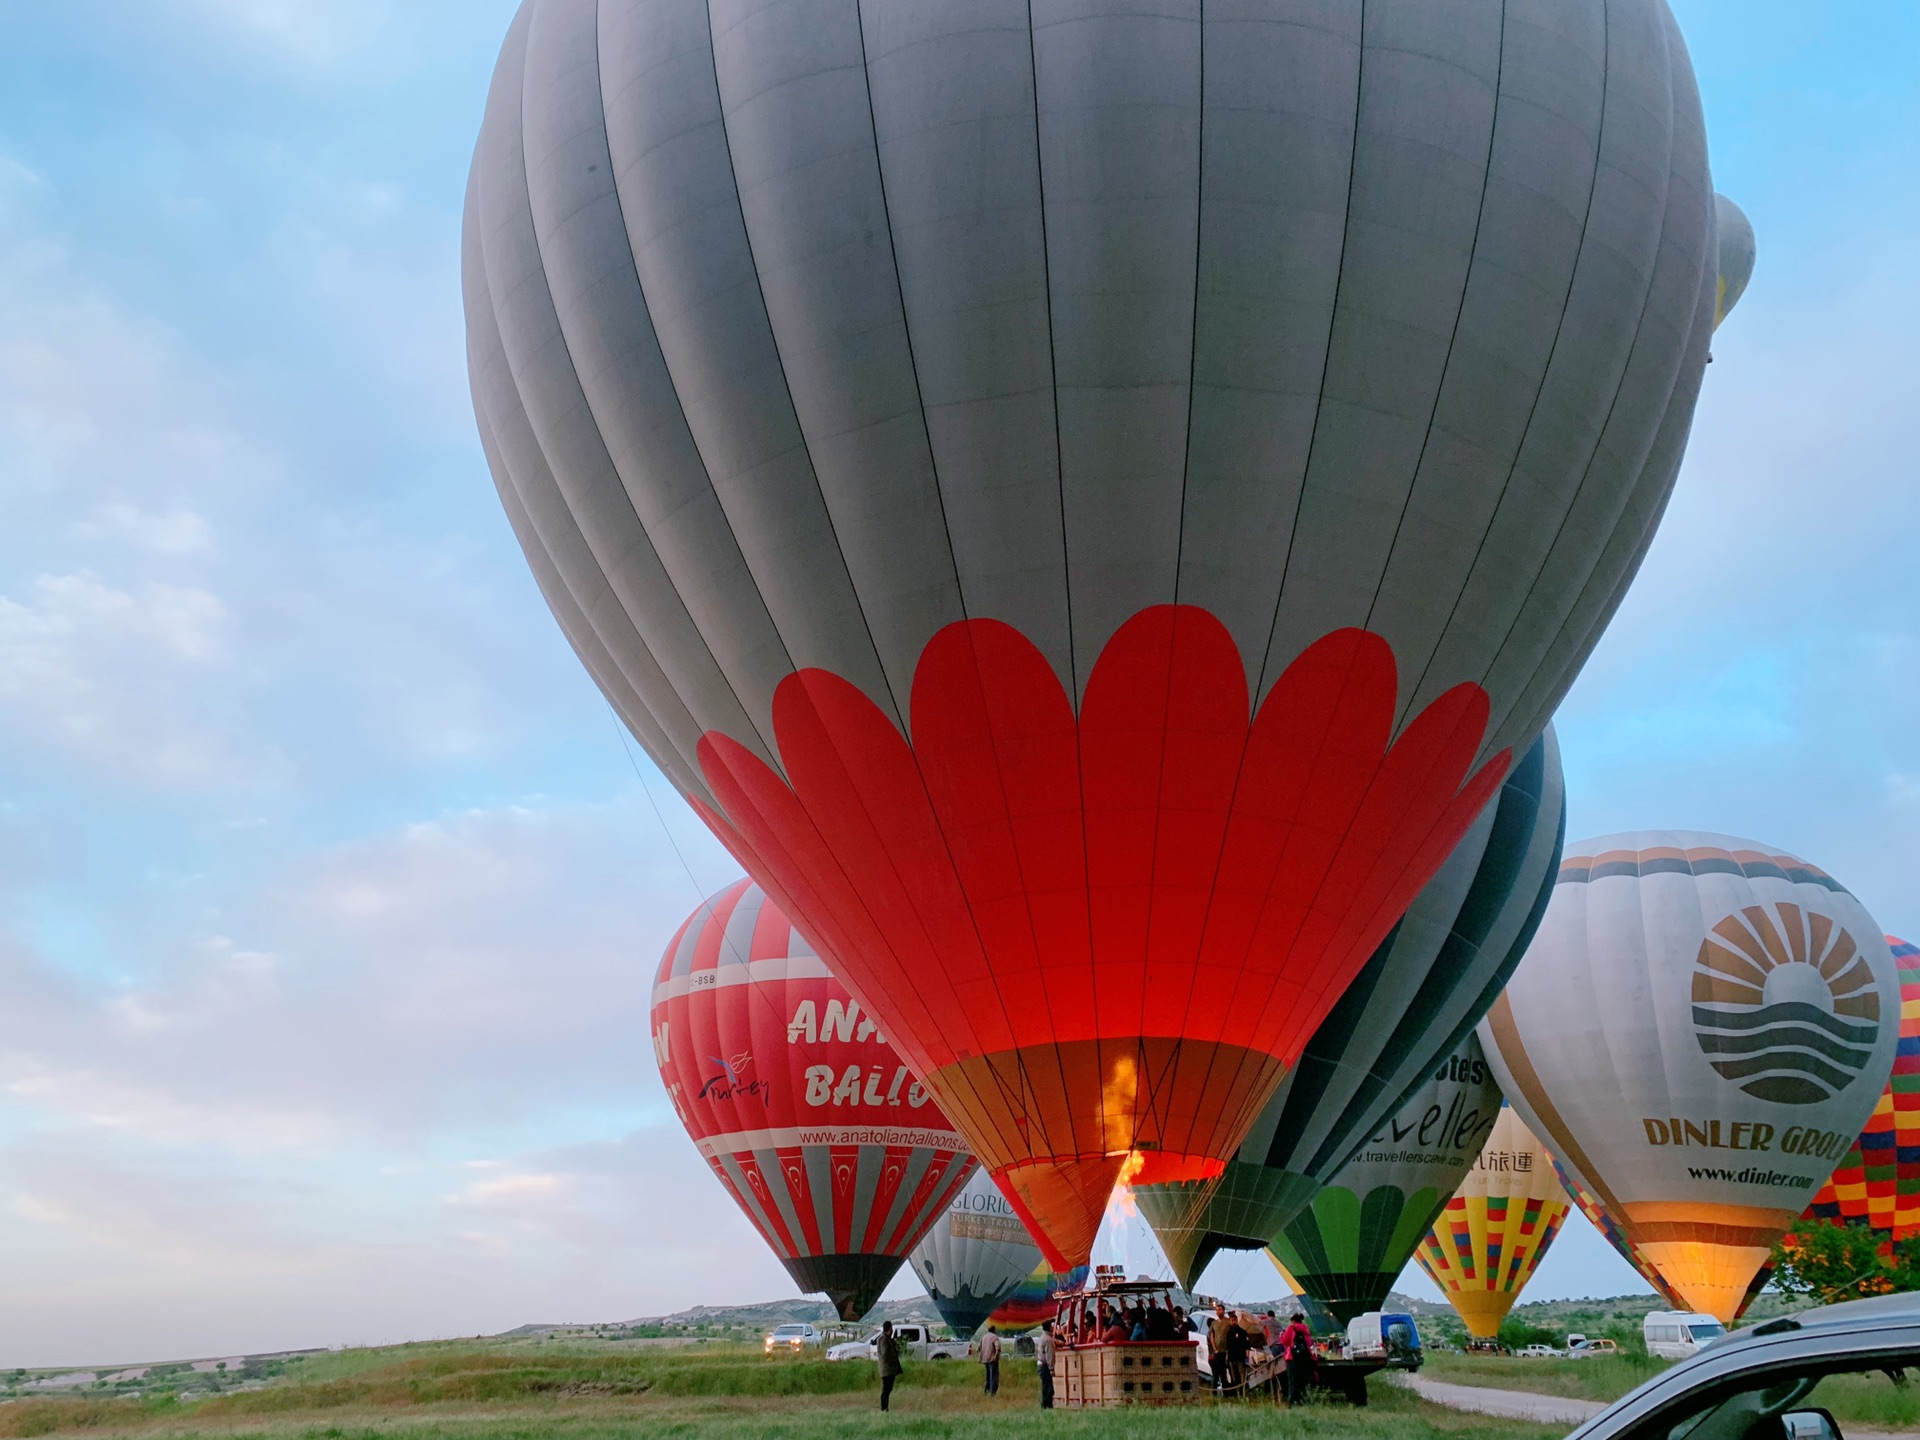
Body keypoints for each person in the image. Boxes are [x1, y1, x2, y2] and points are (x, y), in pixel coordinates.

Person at [1279, 1312, 1315, 1407]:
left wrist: (1282, 1335)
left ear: (1293, 1321)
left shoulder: (1291, 1328)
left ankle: (1293, 1402)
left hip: (1293, 1358)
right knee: (1303, 1381)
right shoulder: (1306, 1329)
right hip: (1305, 1358)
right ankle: (1305, 1401)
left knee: (1293, 1381)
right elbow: (1310, 1343)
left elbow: (1284, 1341)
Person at [877, 1320, 902, 1412]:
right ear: (890, 1329)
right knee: (886, 1389)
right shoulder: (883, 1339)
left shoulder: (885, 1338)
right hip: (887, 1369)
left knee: (888, 1388)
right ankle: (884, 1408)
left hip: (888, 1369)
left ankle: (885, 1407)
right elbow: (885, 1353)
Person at [1034, 1321, 1055, 1410]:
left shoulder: (1042, 1337)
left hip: (1041, 1364)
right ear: (1050, 1327)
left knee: (1045, 1386)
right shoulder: (1048, 1340)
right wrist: (1051, 1368)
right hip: (1045, 1366)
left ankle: (1046, 1405)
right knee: (1048, 1387)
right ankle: (1047, 1405)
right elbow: (1049, 1355)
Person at [979, 1324, 1002, 1396]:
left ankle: (986, 1391)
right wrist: (996, 1356)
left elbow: (979, 1348)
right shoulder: (994, 1337)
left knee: (988, 1376)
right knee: (993, 1376)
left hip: (985, 1359)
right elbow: (997, 1348)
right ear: (994, 1330)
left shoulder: (984, 1337)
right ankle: (993, 1393)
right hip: (992, 1359)